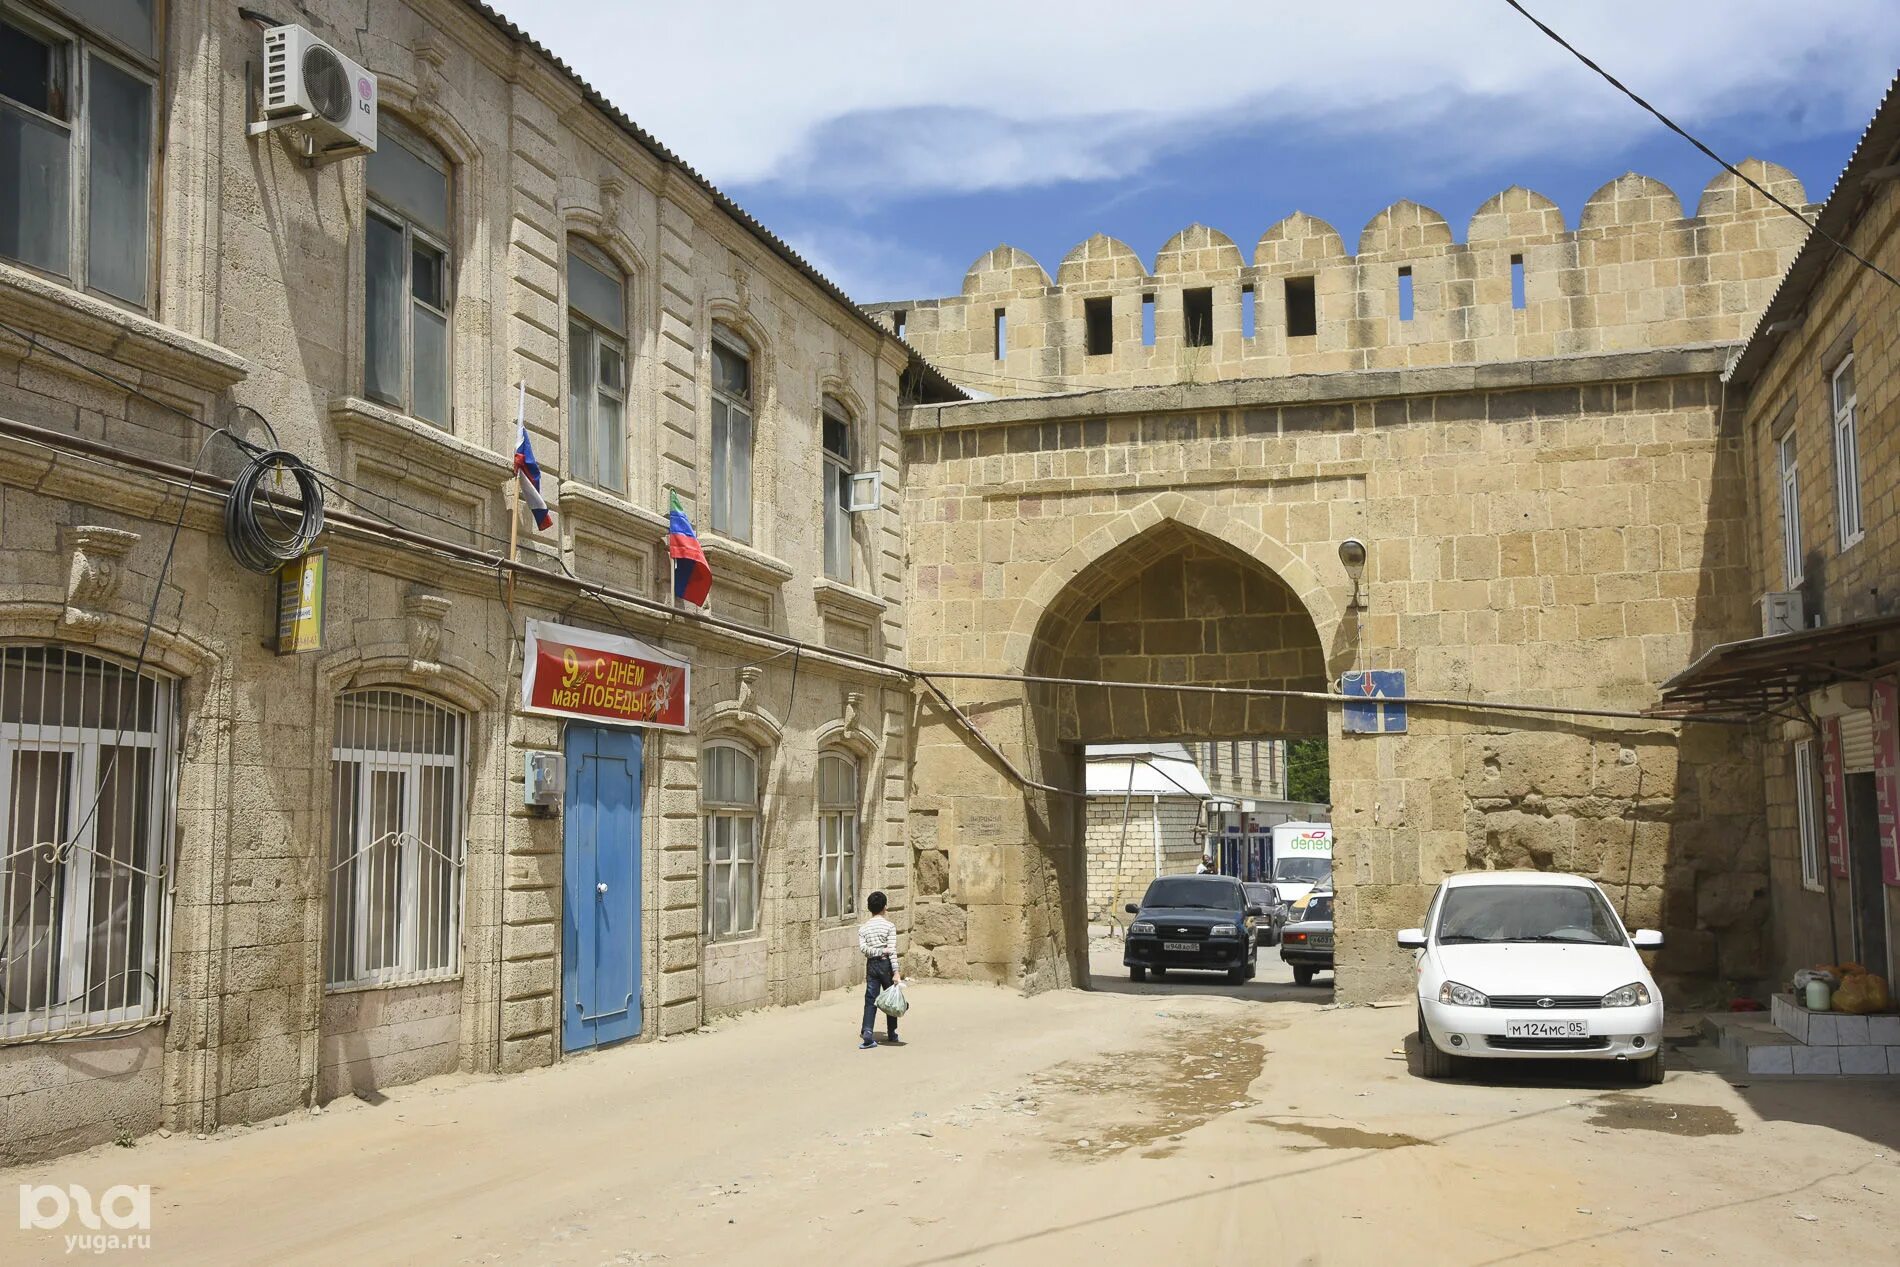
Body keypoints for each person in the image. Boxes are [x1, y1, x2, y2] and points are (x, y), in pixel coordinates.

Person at [858, 890, 902, 1050]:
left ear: (869, 908)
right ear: (885, 907)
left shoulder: (864, 928)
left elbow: (864, 949)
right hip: (886, 965)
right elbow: (892, 950)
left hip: (871, 965)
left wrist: (875, 952)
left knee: (871, 999)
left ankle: (867, 1032)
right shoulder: (889, 926)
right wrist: (896, 971)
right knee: (890, 998)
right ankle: (892, 1032)